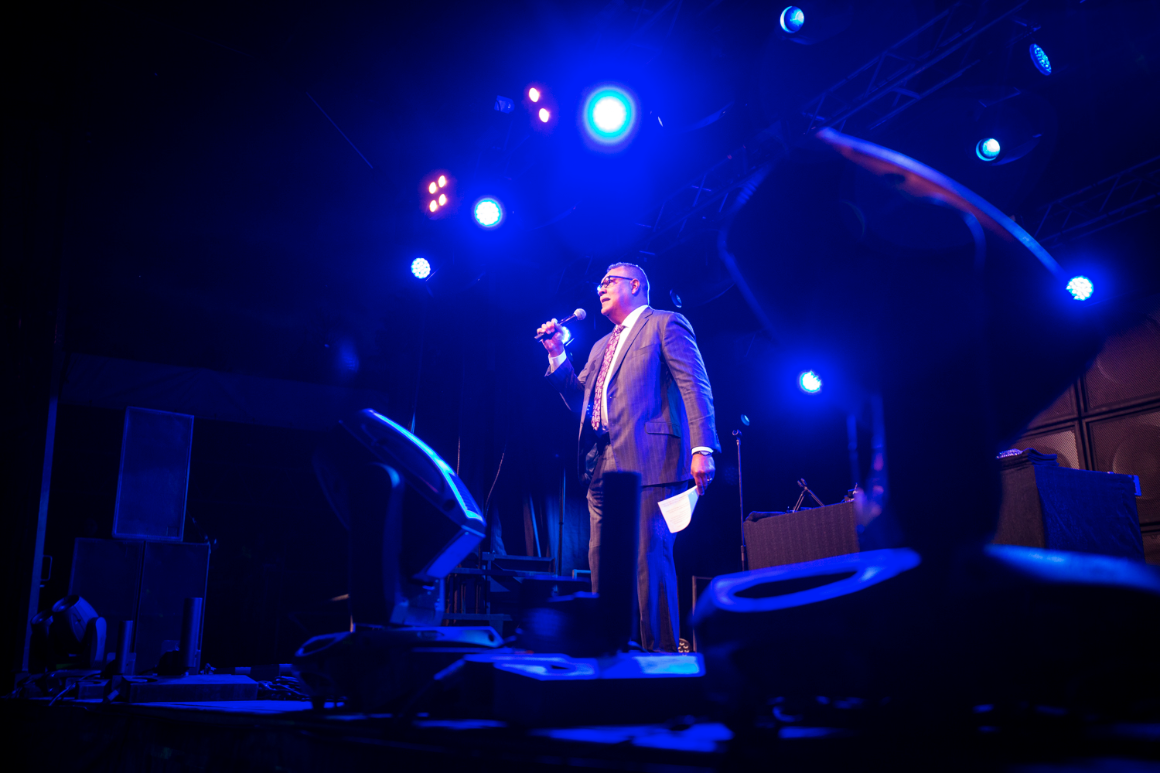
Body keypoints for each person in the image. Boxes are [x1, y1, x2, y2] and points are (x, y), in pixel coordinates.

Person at [537, 262, 719, 652]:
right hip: (601, 462)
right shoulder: (603, 345)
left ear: (635, 285)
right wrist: (556, 354)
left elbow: (695, 385)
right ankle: (610, 650)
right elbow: (578, 400)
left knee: (648, 562)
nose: (600, 287)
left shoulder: (665, 323)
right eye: (600, 282)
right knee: (603, 562)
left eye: (609, 281)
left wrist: (703, 447)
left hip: (653, 461)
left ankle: (664, 656)